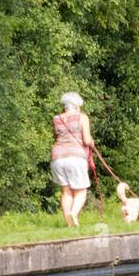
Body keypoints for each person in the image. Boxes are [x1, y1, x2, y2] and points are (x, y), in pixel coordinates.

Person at [50, 92, 96, 228]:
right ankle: (74, 214)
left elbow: (57, 137)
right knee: (81, 191)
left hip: (57, 158)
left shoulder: (56, 118)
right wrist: (92, 143)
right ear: (77, 105)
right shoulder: (82, 117)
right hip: (75, 156)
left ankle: (69, 224)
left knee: (66, 192)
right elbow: (87, 140)